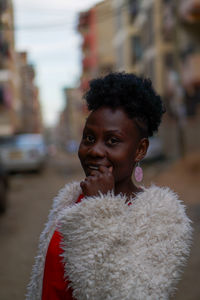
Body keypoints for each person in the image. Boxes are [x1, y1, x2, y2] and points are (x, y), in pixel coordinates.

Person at [26, 72, 192, 300]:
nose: (94, 150)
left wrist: (99, 210)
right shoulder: (71, 200)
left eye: (112, 141)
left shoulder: (163, 216)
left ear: (140, 149)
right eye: (89, 138)